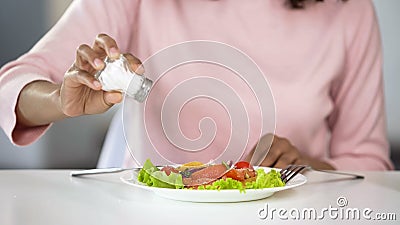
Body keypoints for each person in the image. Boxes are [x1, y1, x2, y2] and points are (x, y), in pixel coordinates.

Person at [0, 0, 394, 170]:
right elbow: (11, 88)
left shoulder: (348, 12)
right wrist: (61, 99)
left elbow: (369, 163)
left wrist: (306, 167)